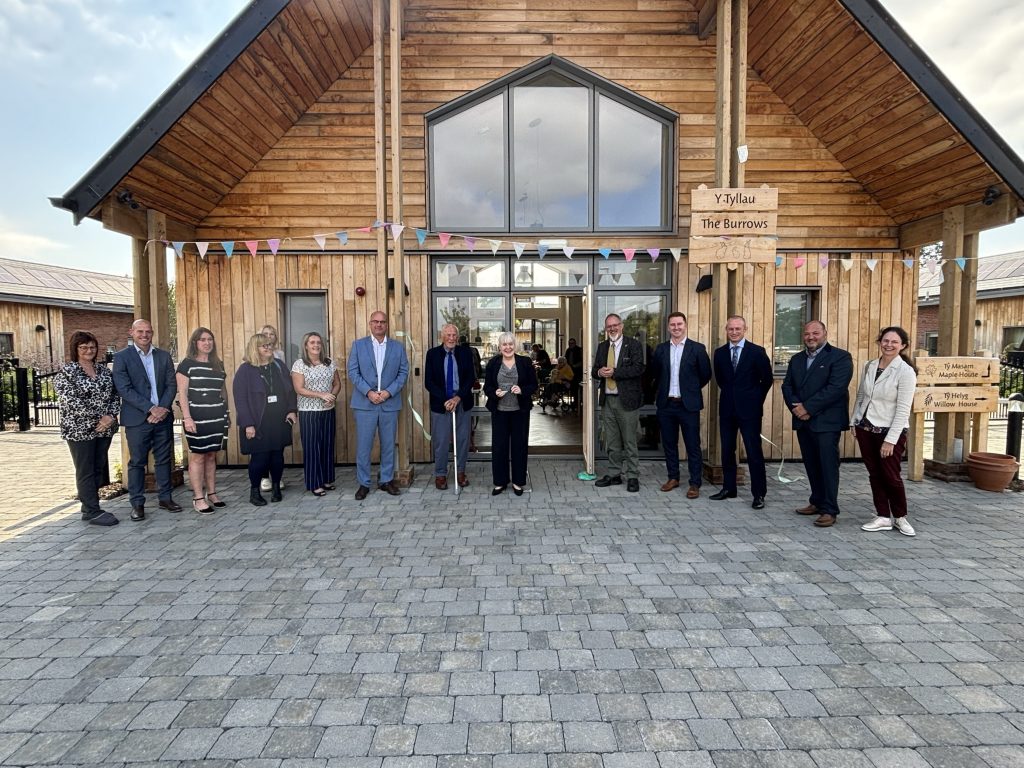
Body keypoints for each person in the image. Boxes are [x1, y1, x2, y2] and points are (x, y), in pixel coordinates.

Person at [781, 320, 854, 528]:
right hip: (803, 422)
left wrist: (808, 408)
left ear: (825, 333)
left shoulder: (840, 357)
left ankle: (830, 509)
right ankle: (817, 500)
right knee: (811, 464)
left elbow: (836, 388)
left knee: (828, 466)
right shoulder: (796, 359)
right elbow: (787, 386)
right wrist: (796, 407)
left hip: (826, 422)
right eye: (807, 334)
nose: (810, 337)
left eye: (815, 333)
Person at [853, 326, 918, 537]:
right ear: (880, 341)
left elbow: (903, 410)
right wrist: (855, 421)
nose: (888, 345)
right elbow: (862, 395)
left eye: (894, 342)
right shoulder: (870, 366)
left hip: (890, 432)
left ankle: (900, 516)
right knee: (874, 473)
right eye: (885, 340)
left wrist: (891, 440)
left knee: (891, 475)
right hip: (866, 428)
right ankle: (882, 516)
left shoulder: (906, 372)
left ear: (903, 346)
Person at [112, 319, 179, 521]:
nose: (144, 335)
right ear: (131, 332)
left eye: (148, 331)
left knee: (164, 459)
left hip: (163, 418)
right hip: (137, 419)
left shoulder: (163, 356)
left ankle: (165, 498)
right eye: (140, 331)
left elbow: (171, 385)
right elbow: (124, 389)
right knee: (137, 463)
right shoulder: (122, 357)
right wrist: (150, 408)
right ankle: (137, 504)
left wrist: (162, 409)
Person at [53, 331, 121, 526]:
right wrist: (98, 418)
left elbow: (114, 396)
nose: (88, 351)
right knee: (85, 470)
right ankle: (91, 510)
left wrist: (110, 416)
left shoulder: (104, 372)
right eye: (83, 347)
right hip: (79, 430)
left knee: (97, 468)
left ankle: (91, 505)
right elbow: (71, 402)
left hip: (105, 429)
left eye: (91, 347)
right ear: (76, 349)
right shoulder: (67, 373)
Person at [710, 316, 774, 509]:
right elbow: (721, 380)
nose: (734, 332)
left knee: (754, 452)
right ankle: (729, 488)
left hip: (750, 411)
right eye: (731, 329)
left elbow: (767, 380)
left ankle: (759, 494)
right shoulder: (720, 353)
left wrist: (754, 399)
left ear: (745, 329)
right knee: (727, 450)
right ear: (726, 330)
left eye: (738, 329)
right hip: (728, 409)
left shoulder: (756, 352)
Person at [348, 310, 409, 500]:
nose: (379, 325)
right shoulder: (358, 346)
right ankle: (364, 483)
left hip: (389, 403)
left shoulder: (397, 348)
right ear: (370, 323)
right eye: (375, 321)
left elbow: (403, 373)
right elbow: (353, 372)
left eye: (382, 322)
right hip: (365, 403)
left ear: (387, 325)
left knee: (389, 445)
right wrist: (369, 392)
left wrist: (388, 392)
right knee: (364, 446)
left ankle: (386, 480)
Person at [652, 312, 712, 498]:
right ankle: (673, 477)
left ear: (685, 325)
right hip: (666, 404)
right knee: (669, 443)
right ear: (668, 327)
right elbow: (656, 373)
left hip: (688, 405)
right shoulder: (661, 349)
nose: (676, 328)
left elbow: (705, 375)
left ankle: (695, 483)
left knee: (692, 444)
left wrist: (690, 390)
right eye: (672, 325)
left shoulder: (697, 349)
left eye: (679, 324)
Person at [233, 333, 298, 506]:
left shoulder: (278, 366)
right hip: (257, 422)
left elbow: (290, 390)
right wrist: (248, 424)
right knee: (260, 458)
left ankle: (276, 487)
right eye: (264, 346)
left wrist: (292, 410)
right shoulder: (245, 370)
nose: (269, 348)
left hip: (278, 420)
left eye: (270, 345)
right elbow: (240, 400)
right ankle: (255, 492)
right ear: (256, 349)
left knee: (277, 455)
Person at [176, 327, 229, 514]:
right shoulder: (186, 364)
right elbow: (182, 393)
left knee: (211, 455)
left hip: (216, 416)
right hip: (196, 417)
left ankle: (212, 493)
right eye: (202, 340)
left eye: (210, 339)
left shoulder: (218, 364)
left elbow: (222, 391)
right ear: (195, 343)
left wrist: (227, 413)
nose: (207, 343)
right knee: (198, 456)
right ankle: (198, 497)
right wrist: (187, 417)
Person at [592, 313, 646, 492]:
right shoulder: (602, 347)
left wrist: (615, 372)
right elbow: (594, 370)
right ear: (606, 329)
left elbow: (638, 369)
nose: (612, 329)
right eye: (609, 326)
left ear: (621, 326)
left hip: (627, 400)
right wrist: (600, 372)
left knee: (630, 440)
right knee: (612, 441)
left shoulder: (634, 345)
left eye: (615, 325)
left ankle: (632, 476)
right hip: (608, 400)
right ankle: (615, 473)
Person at [485, 332, 538, 496]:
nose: (507, 347)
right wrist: (495, 392)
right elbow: (487, 387)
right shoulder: (493, 363)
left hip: (519, 412)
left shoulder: (525, 362)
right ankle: (500, 482)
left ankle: (518, 482)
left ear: (515, 345)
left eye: (510, 344)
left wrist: (522, 390)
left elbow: (534, 385)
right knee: (499, 447)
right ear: (499, 347)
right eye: (504, 344)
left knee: (519, 446)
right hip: (499, 412)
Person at [290, 332, 340, 497]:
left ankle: (326, 479)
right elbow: (299, 389)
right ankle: (314, 482)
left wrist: (332, 396)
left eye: (318, 342)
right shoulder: (299, 364)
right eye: (312, 342)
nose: (316, 345)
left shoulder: (330, 362)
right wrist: (321, 395)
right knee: (312, 447)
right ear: (306, 345)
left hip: (327, 410)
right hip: (308, 412)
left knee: (327, 445)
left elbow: (337, 383)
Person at [426, 324, 475, 489]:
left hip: (462, 402)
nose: (452, 338)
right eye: (448, 334)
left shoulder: (465, 353)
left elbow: (470, 378)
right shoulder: (432, 354)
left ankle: (460, 472)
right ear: (442, 336)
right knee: (440, 441)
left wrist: (457, 398)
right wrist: (446, 400)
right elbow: (429, 382)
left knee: (462, 440)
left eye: (454, 335)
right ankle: (440, 474)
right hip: (441, 404)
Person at [259, 324, 286, 492]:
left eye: (271, 334)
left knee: (277, 443)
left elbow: (282, 378)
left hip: (277, 404)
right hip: (262, 406)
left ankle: (277, 476)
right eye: (265, 334)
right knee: (263, 444)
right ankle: (264, 477)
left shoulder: (280, 355)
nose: (269, 337)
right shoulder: (252, 356)